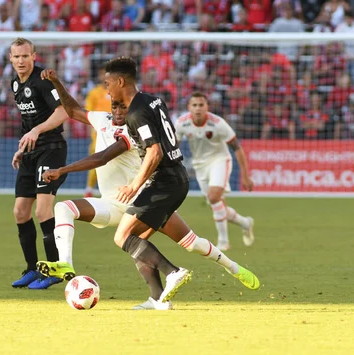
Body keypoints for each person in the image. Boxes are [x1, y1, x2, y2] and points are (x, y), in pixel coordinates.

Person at [37, 69, 261, 309]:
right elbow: (72, 111)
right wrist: (56, 81)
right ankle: (67, 265)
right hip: (112, 203)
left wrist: (62, 170)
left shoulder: (131, 131)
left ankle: (233, 268)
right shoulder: (101, 120)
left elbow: (101, 158)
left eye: (124, 108)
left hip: (141, 197)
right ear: (111, 107)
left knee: (190, 242)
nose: (121, 112)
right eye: (117, 107)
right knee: (65, 208)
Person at [8, 37, 70, 290]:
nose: (21, 61)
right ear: (10, 59)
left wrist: (37, 131)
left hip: (51, 150)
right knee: (20, 211)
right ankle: (33, 268)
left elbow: (63, 111)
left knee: (43, 210)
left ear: (33, 56)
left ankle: (54, 268)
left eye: (25, 56)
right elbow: (27, 121)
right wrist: (22, 146)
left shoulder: (43, 81)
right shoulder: (15, 83)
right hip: (31, 151)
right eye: (16, 57)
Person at [175, 92, 254, 251]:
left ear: (207, 107)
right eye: (194, 105)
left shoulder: (218, 123)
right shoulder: (181, 123)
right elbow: (173, 146)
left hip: (220, 160)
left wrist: (245, 175)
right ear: (189, 107)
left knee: (213, 196)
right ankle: (245, 223)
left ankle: (223, 242)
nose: (198, 108)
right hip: (199, 165)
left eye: (201, 105)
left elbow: (237, 148)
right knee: (216, 204)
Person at [83, 66, 112, 197]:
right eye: (102, 74)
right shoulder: (94, 93)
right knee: (96, 160)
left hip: (117, 131)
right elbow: (87, 112)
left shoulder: (116, 91)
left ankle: (110, 190)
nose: (104, 77)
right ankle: (89, 189)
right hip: (99, 133)